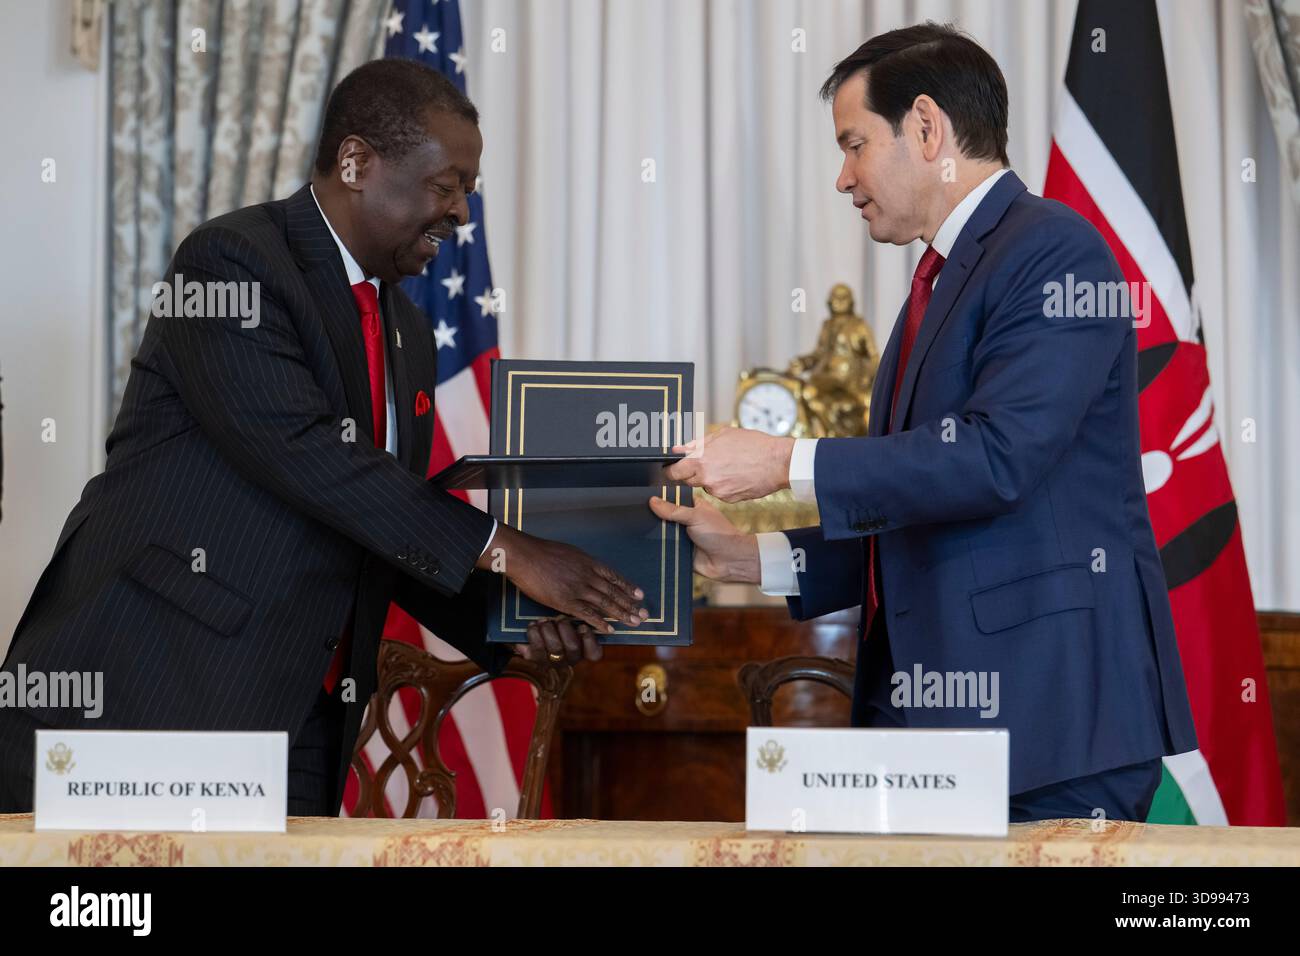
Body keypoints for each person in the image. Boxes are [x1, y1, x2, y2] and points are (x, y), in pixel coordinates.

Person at [0, 59, 643, 815]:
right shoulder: (230, 263)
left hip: (305, 712)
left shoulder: (404, 326)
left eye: (468, 189)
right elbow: (308, 455)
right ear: (356, 161)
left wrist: (513, 621)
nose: (463, 213)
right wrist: (510, 547)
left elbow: (375, 522)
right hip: (155, 688)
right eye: (446, 186)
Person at [652, 23, 1196, 822]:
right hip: (940, 735)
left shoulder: (1055, 252)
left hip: (1050, 723)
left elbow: (996, 460)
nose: (843, 178)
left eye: (854, 144)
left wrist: (782, 461)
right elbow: (922, 512)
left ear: (928, 128)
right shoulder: (938, 283)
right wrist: (752, 557)